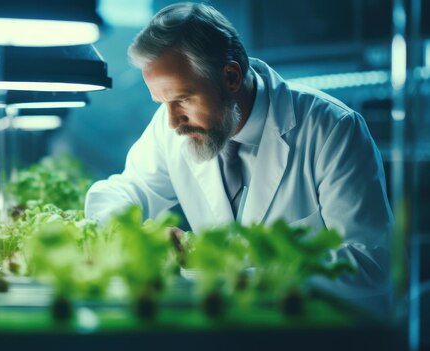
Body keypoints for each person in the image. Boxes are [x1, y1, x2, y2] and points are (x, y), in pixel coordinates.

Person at [85, 2, 393, 311]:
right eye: (162, 102)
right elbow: (124, 190)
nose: (172, 122)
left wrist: (244, 272)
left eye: (183, 99)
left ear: (231, 77)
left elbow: (371, 261)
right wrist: (134, 234)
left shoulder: (331, 127)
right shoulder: (174, 126)